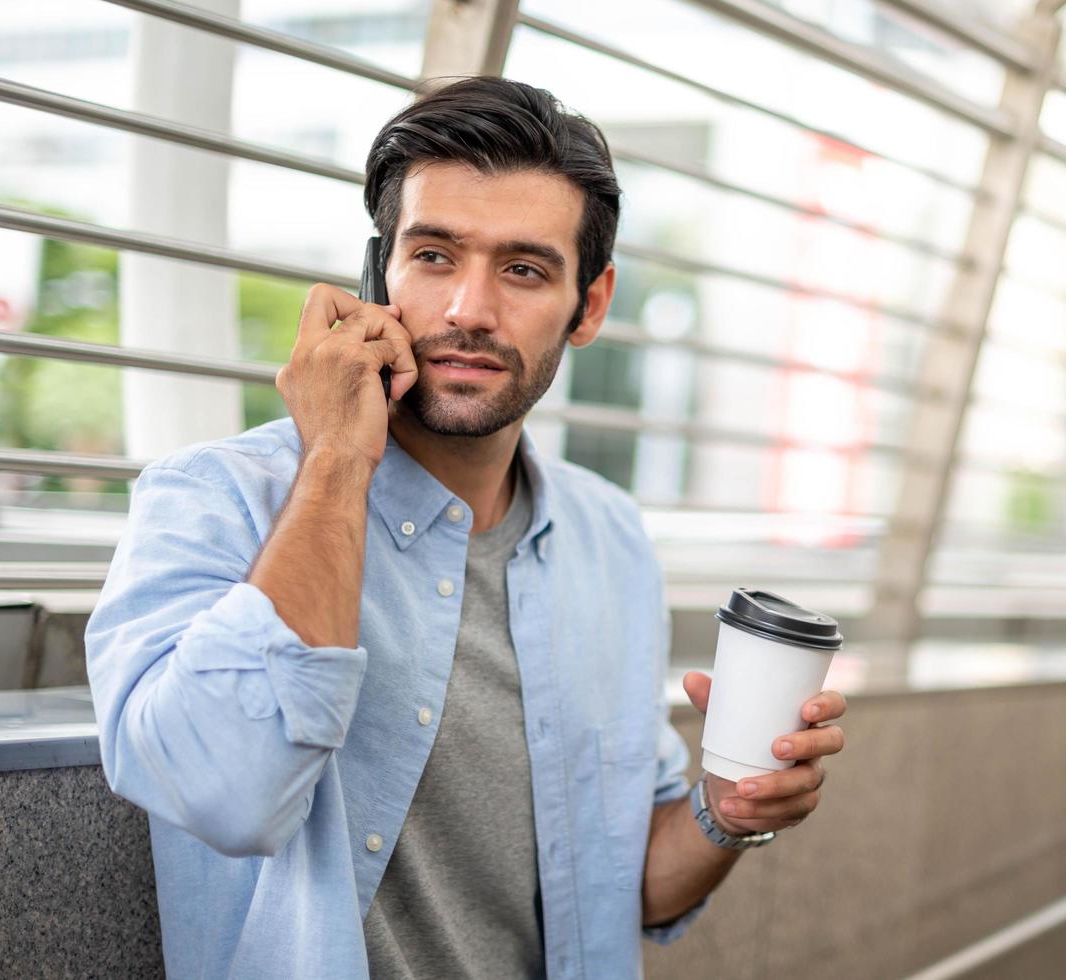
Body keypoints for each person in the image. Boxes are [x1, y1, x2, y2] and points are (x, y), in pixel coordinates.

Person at [84, 75, 848, 979]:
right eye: (435, 256)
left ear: (590, 305)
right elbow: (225, 796)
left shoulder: (607, 537)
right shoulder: (213, 500)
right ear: (381, 275)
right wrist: (336, 460)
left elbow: (622, 891)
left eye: (523, 270)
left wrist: (725, 809)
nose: (467, 312)